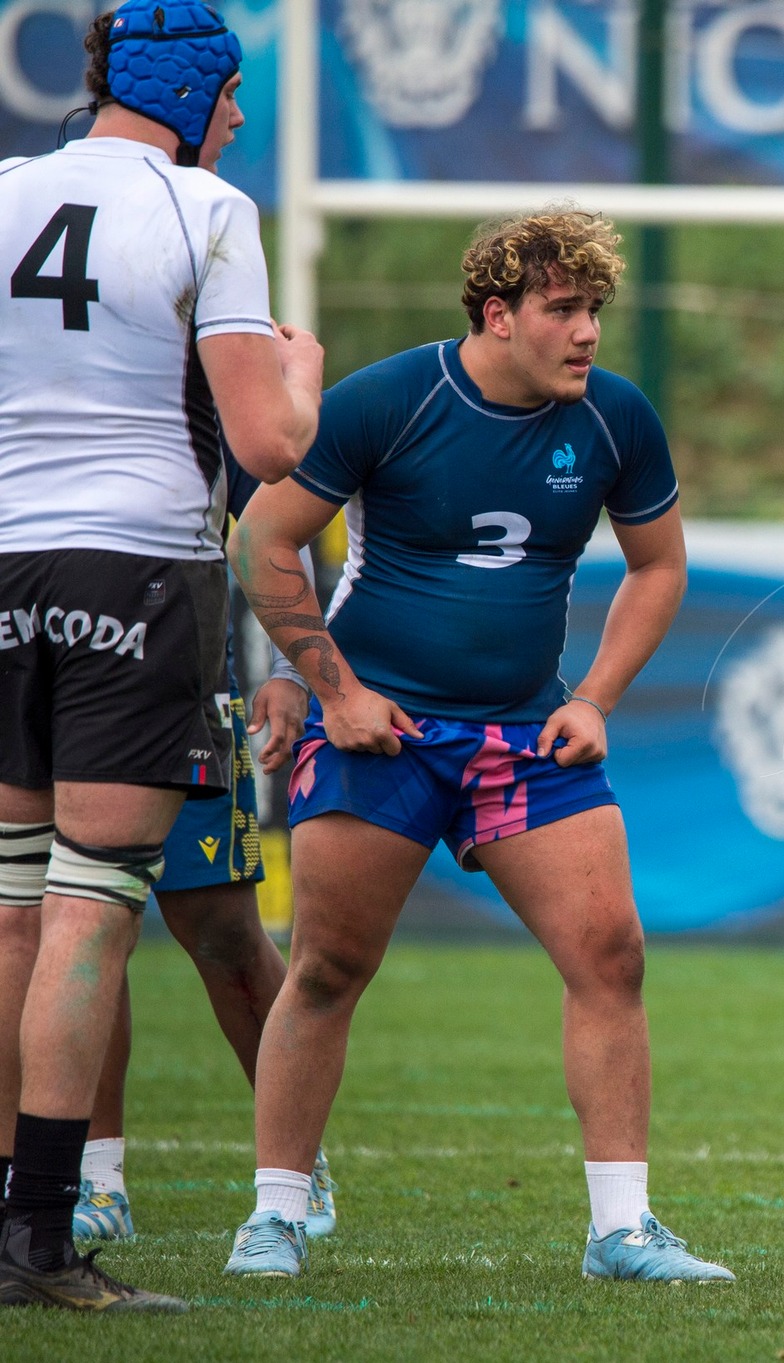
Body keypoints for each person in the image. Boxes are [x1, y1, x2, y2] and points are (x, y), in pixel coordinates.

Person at [221, 209, 720, 1286]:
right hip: (385, 730)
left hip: (522, 733)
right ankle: (274, 1213)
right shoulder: (390, 400)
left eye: (594, 310)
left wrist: (592, 698)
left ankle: (621, 1229)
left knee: (612, 956)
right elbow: (262, 537)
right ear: (497, 314)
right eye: (562, 309)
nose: (587, 332)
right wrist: (332, 691)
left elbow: (659, 566)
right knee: (328, 967)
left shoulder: (615, 419)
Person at [0, 0, 322, 1311]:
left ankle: (11, 1212)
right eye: (234, 94)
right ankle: (37, 1238)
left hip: (5, 563)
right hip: (133, 569)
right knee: (91, 905)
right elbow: (267, 447)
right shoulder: (209, 209)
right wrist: (299, 370)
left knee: (13, 901)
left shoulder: (8, 186)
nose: (238, 119)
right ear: (194, 91)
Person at [73, 453, 335, 1245]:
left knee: (222, 932)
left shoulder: (207, 370)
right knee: (78, 920)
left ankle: (297, 1158)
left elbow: (278, 522)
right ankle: (94, 1178)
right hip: (54, 680)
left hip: (186, 689)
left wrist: (292, 667)